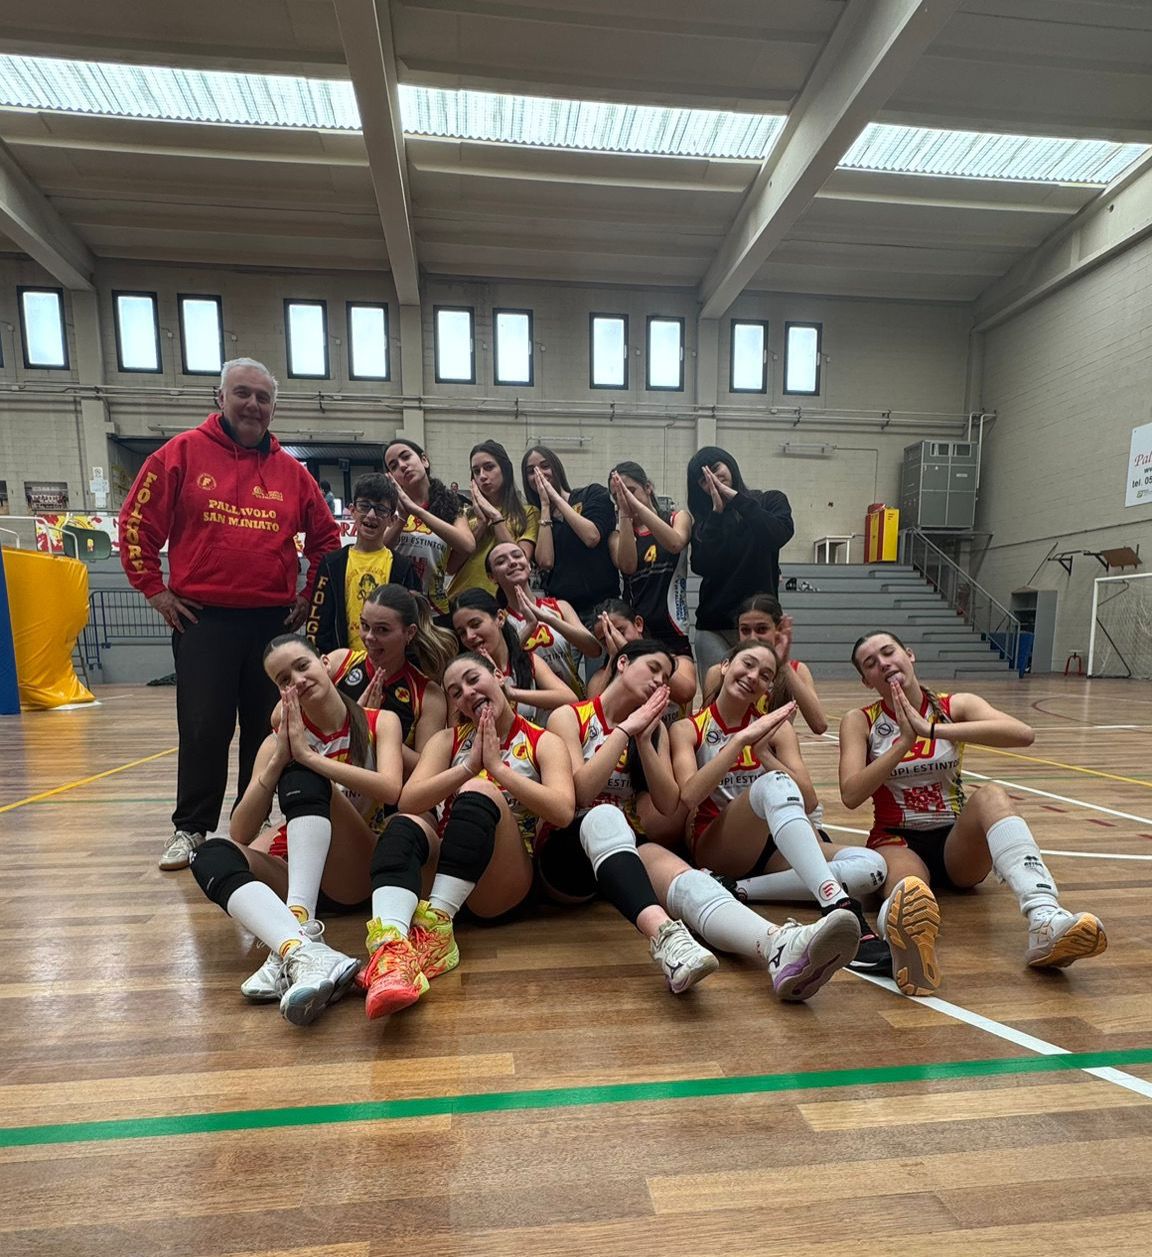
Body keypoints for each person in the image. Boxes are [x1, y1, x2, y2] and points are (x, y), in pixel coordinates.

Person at [119, 357, 340, 871]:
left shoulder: (292, 473)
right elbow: (136, 525)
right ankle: (191, 827)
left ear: (273, 408)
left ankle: (253, 823)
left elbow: (326, 540)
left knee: (269, 728)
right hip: (204, 619)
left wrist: (308, 596)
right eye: (242, 393)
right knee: (204, 727)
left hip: (272, 624)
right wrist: (156, 592)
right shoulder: (179, 454)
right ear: (220, 398)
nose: (253, 405)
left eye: (263, 398)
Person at [839, 630, 1107, 996]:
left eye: (889, 652)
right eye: (871, 663)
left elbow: (1022, 734)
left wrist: (930, 729)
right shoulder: (860, 720)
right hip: (897, 839)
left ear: (909, 655)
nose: (883, 663)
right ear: (866, 681)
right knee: (910, 890)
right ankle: (903, 945)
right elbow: (851, 793)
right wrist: (903, 743)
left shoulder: (953, 706)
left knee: (992, 794)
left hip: (955, 843)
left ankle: (1045, 918)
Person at [188, 634, 405, 1025]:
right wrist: (278, 760)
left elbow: (391, 789)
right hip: (296, 874)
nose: (297, 681)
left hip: (353, 869)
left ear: (325, 663)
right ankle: (299, 947)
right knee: (209, 854)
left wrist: (307, 758)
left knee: (304, 775)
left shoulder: (379, 721)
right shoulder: (278, 742)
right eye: (284, 680)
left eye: (302, 666)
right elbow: (240, 830)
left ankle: (296, 934)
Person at [364, 652, 575, 1009]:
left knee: (480, 789)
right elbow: (408, 800)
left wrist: (496, 769)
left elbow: (563, 811)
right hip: (446, 870)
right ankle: (391, 949)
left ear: (498, 677)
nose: (467, 692)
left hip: (502, 882)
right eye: (456, 692)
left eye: (473, 679)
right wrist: (467, 767)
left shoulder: (543, 740)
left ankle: (435, 929)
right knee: (404, 824)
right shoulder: (447, 741)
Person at [668, 639, 892, 972]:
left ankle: (739, 889)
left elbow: (810, 800)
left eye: (765, 674)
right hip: (718, 845)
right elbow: (689, 795)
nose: (752, 676)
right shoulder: (688, 728)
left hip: (771, 848)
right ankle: (837, 905)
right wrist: (740, 742)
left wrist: (764, 754)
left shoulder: (777, 728)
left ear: (769, 687)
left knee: (872, 866)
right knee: (772, 784)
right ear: (725, 666)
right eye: (747, 664)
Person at [685, 446, 794, 678]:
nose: (712, 479)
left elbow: (778, 534)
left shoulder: (769, 500)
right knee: (717, 695)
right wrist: (716, 515)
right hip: (715, 626)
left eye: (716, 469)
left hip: (760, 623)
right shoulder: (703, 524)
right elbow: (701, 566)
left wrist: (736, 500)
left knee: (766, 694)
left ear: (729, 464)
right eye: (703, 480)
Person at [324, 583, 454, 775]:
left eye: (382, 630)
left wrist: (376, 727)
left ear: (409, 632)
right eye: (365, 625)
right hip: (330, 781)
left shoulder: (428, 695)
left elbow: (427, 769)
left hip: (387, 790)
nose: (369, 637)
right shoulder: (339, 662)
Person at [306, 473, 420, 653]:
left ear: (392, 519)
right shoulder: (331, 564)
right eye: (364, 506)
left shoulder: (403, 568)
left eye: (381, 510)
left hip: (388, 662)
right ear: (352, 510)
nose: (372, 515)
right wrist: (319, 657)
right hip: (342, 661)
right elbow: (317, 622)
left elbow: (412, 623)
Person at [701, 593, 827, 735]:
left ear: (778, 629)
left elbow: (819, 725)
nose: (753, 637)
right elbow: (706, 731)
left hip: (775, 748)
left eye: (761, 629)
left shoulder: (797, 670)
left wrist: (783, 665)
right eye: (745, 630)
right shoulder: (718, 672)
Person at [521, 445, 619, 624]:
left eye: (545, 466)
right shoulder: (536, 517)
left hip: (603, 607)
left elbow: (591, 537)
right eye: (530, 471)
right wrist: (545, 507)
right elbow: (545, 561)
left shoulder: (591, 494)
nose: (539, 473)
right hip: (564, 611)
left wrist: (556, 498)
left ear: (556, 468)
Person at [486, 540, 600, 693]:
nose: (512, 562)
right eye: (501, 561)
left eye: (517, 556)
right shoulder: (499, 621)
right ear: (492, 577)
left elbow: (594, 650)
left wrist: (548, 618)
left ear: (529, 565)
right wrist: (529, 626)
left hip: (574, 702)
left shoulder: (560, 606)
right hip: (528, 706)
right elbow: (502, 665)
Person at [608, 461, 692, 659]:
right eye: (617, 495)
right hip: (638, 627)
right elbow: (628, 566)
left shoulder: (676, 518)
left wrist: (636, 505)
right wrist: (625, 515)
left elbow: (675, 543)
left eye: (630, 491)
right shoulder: (617, 535)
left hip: (672, 625)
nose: (624, 498)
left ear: (648, 487)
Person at [451, 588, 578, 719]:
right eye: (462, 633)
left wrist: (510, 692)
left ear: (500, 618)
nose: (469, 636)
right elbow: (457, 729)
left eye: (475, 624)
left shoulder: (529, 660)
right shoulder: (460, 677)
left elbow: (570, 698)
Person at [384, 439, 475, 617]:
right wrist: (402, 518)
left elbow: (468, 546)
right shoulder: (388, 507)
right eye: (394, 466)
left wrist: (418, 511)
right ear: (391, 476)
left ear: (424, 460)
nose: (402, 466)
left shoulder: (452, 505)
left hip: (436, 612)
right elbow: (378, 550)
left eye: (406, 457)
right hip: (397, 610)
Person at [448, 440, 539, 596]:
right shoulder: (464, 515)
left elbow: (521, 561)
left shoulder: (528, 513)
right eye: (476, 471)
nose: (482, 476)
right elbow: (450, 568)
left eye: (489, 467)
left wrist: (496, 517)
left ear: (505, 470)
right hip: (460, 599)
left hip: (503, 601)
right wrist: (481, 524)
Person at [586, 598, 696, 716]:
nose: (614, 640)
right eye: (606, 640)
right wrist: (614, 658)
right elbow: (593, 716)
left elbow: (686, 693)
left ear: (638, 624)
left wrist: (631, 650)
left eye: (620, 632)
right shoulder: (599, 678)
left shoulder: (679, 663)